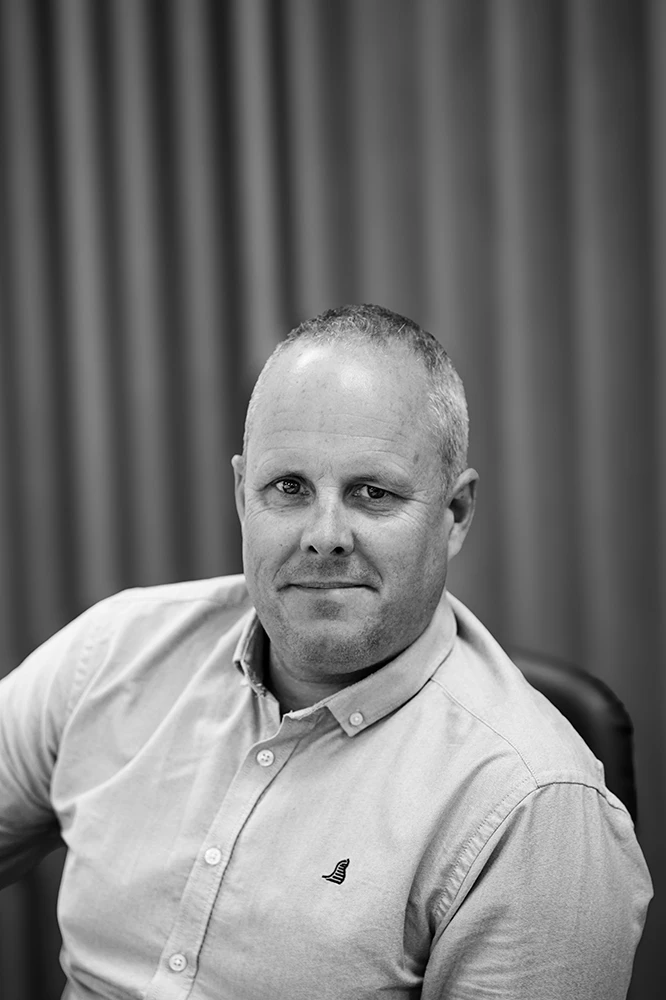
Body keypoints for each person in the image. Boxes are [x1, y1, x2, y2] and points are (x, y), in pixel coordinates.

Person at [0, 304, 652, 999]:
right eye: (289, 488)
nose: (325, 535)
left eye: (373, 493)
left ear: (455, 514)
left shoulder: (533, 806)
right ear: (242, 497)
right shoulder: (113, 652)